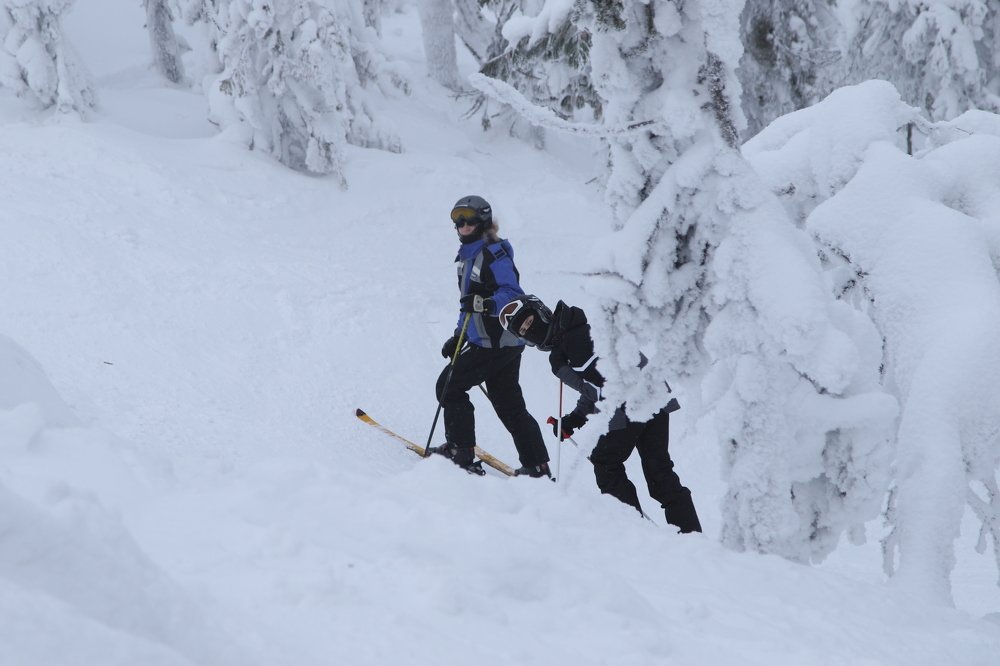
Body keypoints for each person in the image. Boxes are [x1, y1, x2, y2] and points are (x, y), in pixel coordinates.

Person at [499, 295, 702, 532]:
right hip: (653, 394)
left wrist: (565, 372)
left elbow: (603, 385)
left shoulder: (572, 341)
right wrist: (575, 419)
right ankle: (690, 534)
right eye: (524, 331)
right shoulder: (577, 329)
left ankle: (633, 532)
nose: (531, 330)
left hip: (631, 402)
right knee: (659, 472)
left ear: (542, 312)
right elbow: (595, 386)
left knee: (606, 462)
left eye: (530, 321)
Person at [429, 195, 551, 478]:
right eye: (458, 218)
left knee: (449, 386)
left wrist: (485, 305)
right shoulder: (468, 255)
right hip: (498, 342)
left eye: (469, 217)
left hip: (494, 342)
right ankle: (537, 466)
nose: (463, 224)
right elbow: (467, 303)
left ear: (483, 220)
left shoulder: (494, 253)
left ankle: (461, 453)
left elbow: (511, 293)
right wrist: (458, 335)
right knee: (508, 404)